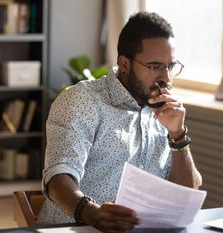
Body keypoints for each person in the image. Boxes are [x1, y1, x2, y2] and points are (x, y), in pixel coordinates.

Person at [37, 11, 202, 232]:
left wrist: (178, 135)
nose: (166, 79)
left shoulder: (164, 112)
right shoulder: (82, 101)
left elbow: (187, 195)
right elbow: (58, 177)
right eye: (154, 67)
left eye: (170, 67)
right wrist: (91, 213)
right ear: (124, 63)